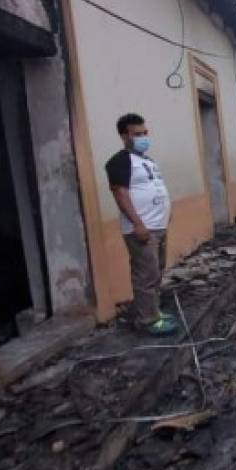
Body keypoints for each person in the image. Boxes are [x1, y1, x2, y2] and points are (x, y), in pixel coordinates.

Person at [105, 113, 179, 335]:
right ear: (124, 136)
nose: (143, 137)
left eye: (145, 133)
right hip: (141, 229)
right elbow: (120, 193)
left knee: (156, 272)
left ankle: (152, 311)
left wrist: (167, 212)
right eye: (137, 134)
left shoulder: (147, 161)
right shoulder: (119, 161)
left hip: (158, 226)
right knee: (145, 275)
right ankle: (148, 320)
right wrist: (138, 223)